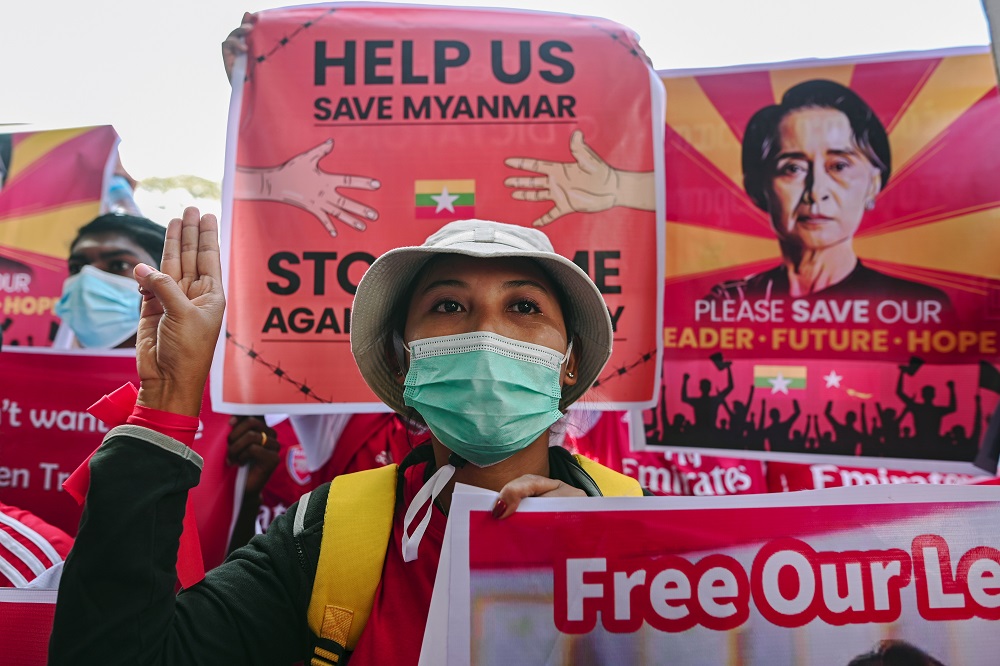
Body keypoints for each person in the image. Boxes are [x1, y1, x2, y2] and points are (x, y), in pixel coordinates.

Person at [50, 210, 642, 664]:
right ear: (405, 360)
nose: (486, 333)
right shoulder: (327, 532)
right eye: (449, 305)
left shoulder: (648, 534)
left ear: (569, 361)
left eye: (522, 305)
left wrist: (606, 561)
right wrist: (167, 402)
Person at [711, 79, 951, 304]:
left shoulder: (914, 306)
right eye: (793, 168)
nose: (816, 192)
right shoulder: (731, 304)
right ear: (758, 189)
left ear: (873, 184)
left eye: (838, 166)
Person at [52, 212, 166, 349]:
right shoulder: (40, 367)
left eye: (118, 265)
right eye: (76, 267)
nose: (86, 279)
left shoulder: (192, 367)